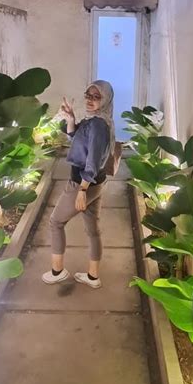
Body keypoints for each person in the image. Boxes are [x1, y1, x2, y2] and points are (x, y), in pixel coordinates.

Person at [41, 80, 115, 289]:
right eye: (88, 95)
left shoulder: (98, 125)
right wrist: (71, 118)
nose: (90, 100)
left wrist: (82, 189)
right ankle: (93, 276)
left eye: (96, 97)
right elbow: (76, 136)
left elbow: (93, 161)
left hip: (83, 183)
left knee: (56, 222)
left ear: (106, 100)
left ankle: (57, 271)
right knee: (93, 229)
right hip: (96, 183)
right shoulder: (96, 120)